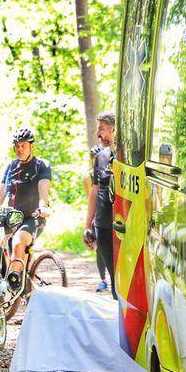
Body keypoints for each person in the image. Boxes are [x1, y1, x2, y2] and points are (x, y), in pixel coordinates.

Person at [0, 127, 52, 291]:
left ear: (31, 146)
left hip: (33, 217)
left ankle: (13, 284)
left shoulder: (41, 165)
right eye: (17, 146)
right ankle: (23, 285)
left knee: (18, 242)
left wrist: (44, 206)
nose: (20, 149)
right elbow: (0, 196)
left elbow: (44, 191)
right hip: (11, 219)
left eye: (23, 146)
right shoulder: (11, 166)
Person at [84, 112, 116, 294]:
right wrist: (88, 225)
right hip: (103, 227)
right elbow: (95, 190)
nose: (98, 134)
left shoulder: (129, 157)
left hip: (124, 227)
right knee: (113, 276)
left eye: (102, 129)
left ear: (114, 130)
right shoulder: (101, 158)